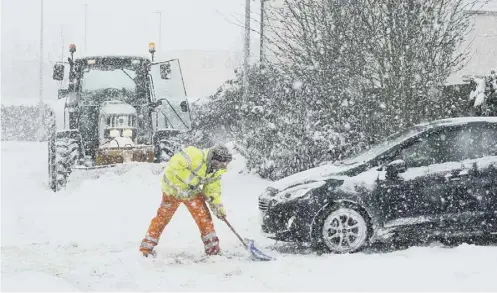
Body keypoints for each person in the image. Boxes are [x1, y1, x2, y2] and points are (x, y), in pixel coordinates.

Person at [139, 144, 233, 257]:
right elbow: (174, 164)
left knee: (204, 218)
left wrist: (218, 207)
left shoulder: (216, 171)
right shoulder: (194, 154)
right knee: (162, 218)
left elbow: (213, 191)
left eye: (224, 164)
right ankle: (146, 248)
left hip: (191, 194)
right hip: (172, 190)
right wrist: (192, 181)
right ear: (213, 157)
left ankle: (212, 249)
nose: (221, 166)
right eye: (219, 163)